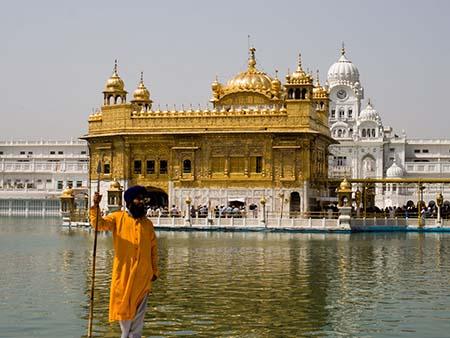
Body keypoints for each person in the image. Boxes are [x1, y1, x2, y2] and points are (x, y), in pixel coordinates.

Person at [90, 185, 159, 338]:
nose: (141, 202)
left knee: (138, 320)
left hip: (142, 276)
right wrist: (95, 206)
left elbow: (153, 250)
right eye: (138, 199)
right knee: (124, 315)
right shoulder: (117, 218)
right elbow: (98, 225)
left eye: (143, 199)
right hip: (124, 274)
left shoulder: (147, 224)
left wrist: (154, 271)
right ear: (129, 202)